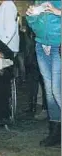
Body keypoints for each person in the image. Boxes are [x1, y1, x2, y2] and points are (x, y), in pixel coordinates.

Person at [26, 1, 61, 147]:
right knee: (49, 92)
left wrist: (57, 11)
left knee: (57, 91)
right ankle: (55, 132)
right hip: (41, 46)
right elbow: (35, 26)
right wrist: (31, 16)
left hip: (58, 46)